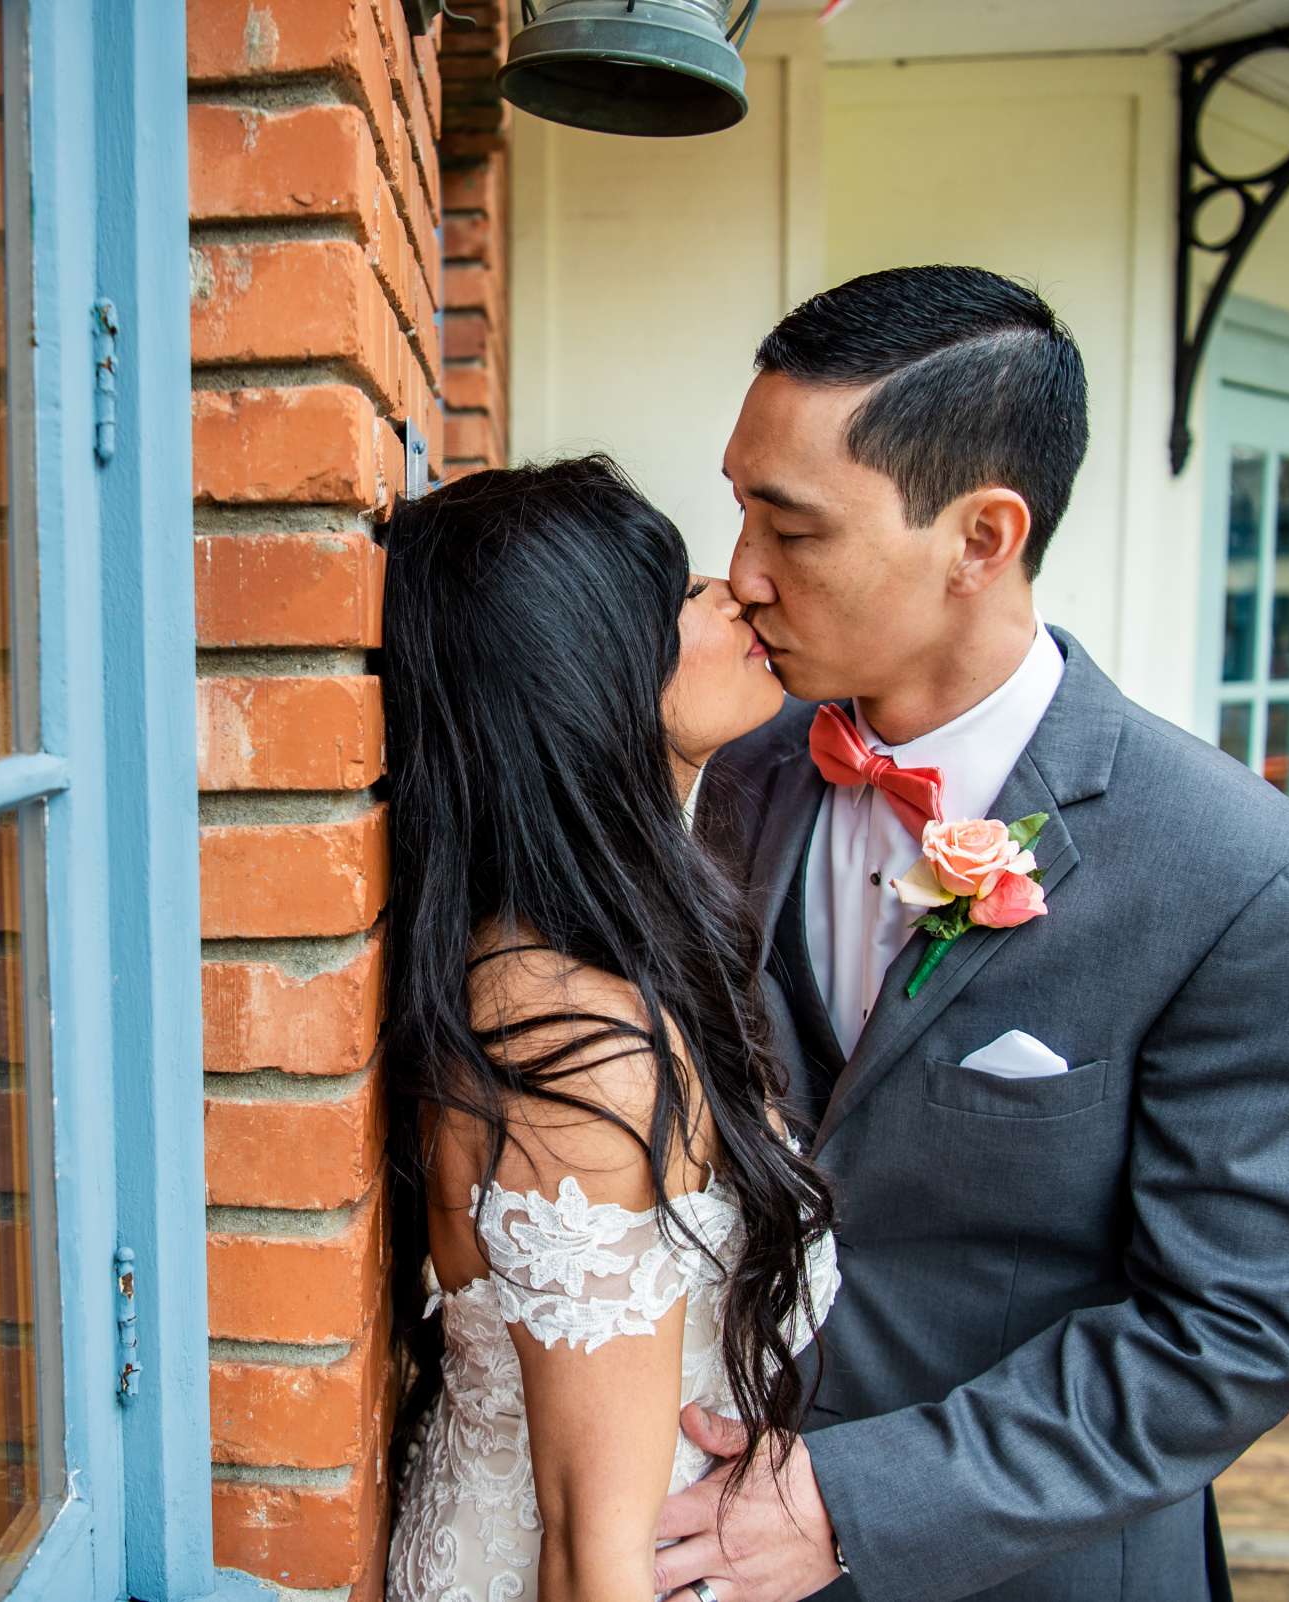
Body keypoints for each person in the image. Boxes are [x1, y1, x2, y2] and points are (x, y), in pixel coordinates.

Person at [662, 266, 1289, 1602]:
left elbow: (1229, 1327)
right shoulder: (730, 771)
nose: (743, 573)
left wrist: (854, 1502)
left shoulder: (1249, 881)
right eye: (738, 505)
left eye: (794, 528)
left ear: (984, 536)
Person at [378, 456, 842, 1602]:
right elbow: (593, 1549)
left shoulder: (595, 951)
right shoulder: (581, 1035)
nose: (737, 593)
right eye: (685, 593)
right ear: (584, 674)